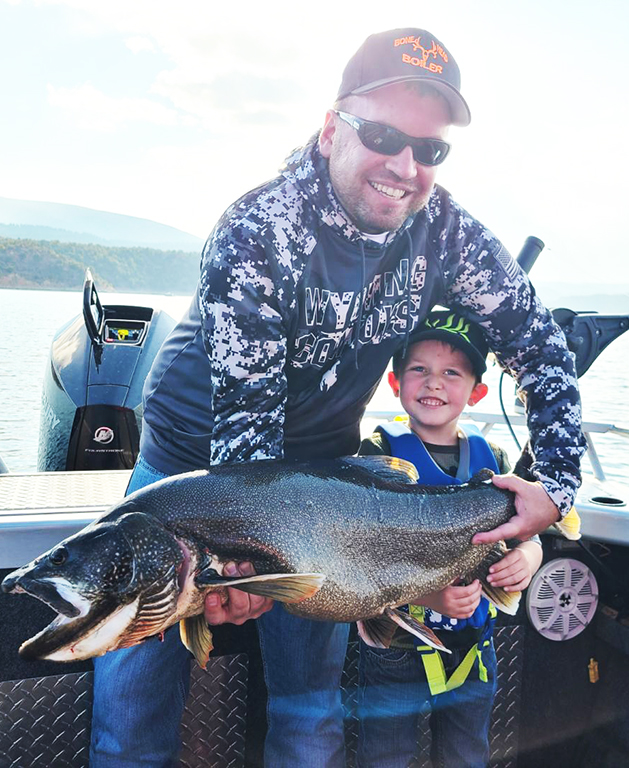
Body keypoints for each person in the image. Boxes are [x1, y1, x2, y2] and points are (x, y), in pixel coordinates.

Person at [89, 27, 584, 768]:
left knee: (307, 707)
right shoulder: (261, 230)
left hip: (325, 479)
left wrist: (554, 485)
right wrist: (241, 569)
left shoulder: (446, 234)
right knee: (134, 713)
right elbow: (244, 462)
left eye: (431, 148)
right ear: (331, 129)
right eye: (383, 134)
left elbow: (543, 350)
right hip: (189, 475)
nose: (406, 165)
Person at [357, 308, 544, 768]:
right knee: (385, 756)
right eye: (419, 369)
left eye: (451, 373)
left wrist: (533, 555)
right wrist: (429, 596)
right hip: (394, 650)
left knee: (466, 756)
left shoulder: (494, 458)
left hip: (473, 651)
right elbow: (361, 550)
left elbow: (527, 530)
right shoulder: (374, 453)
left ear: (477, 392)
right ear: (394, 381)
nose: (434, 383)